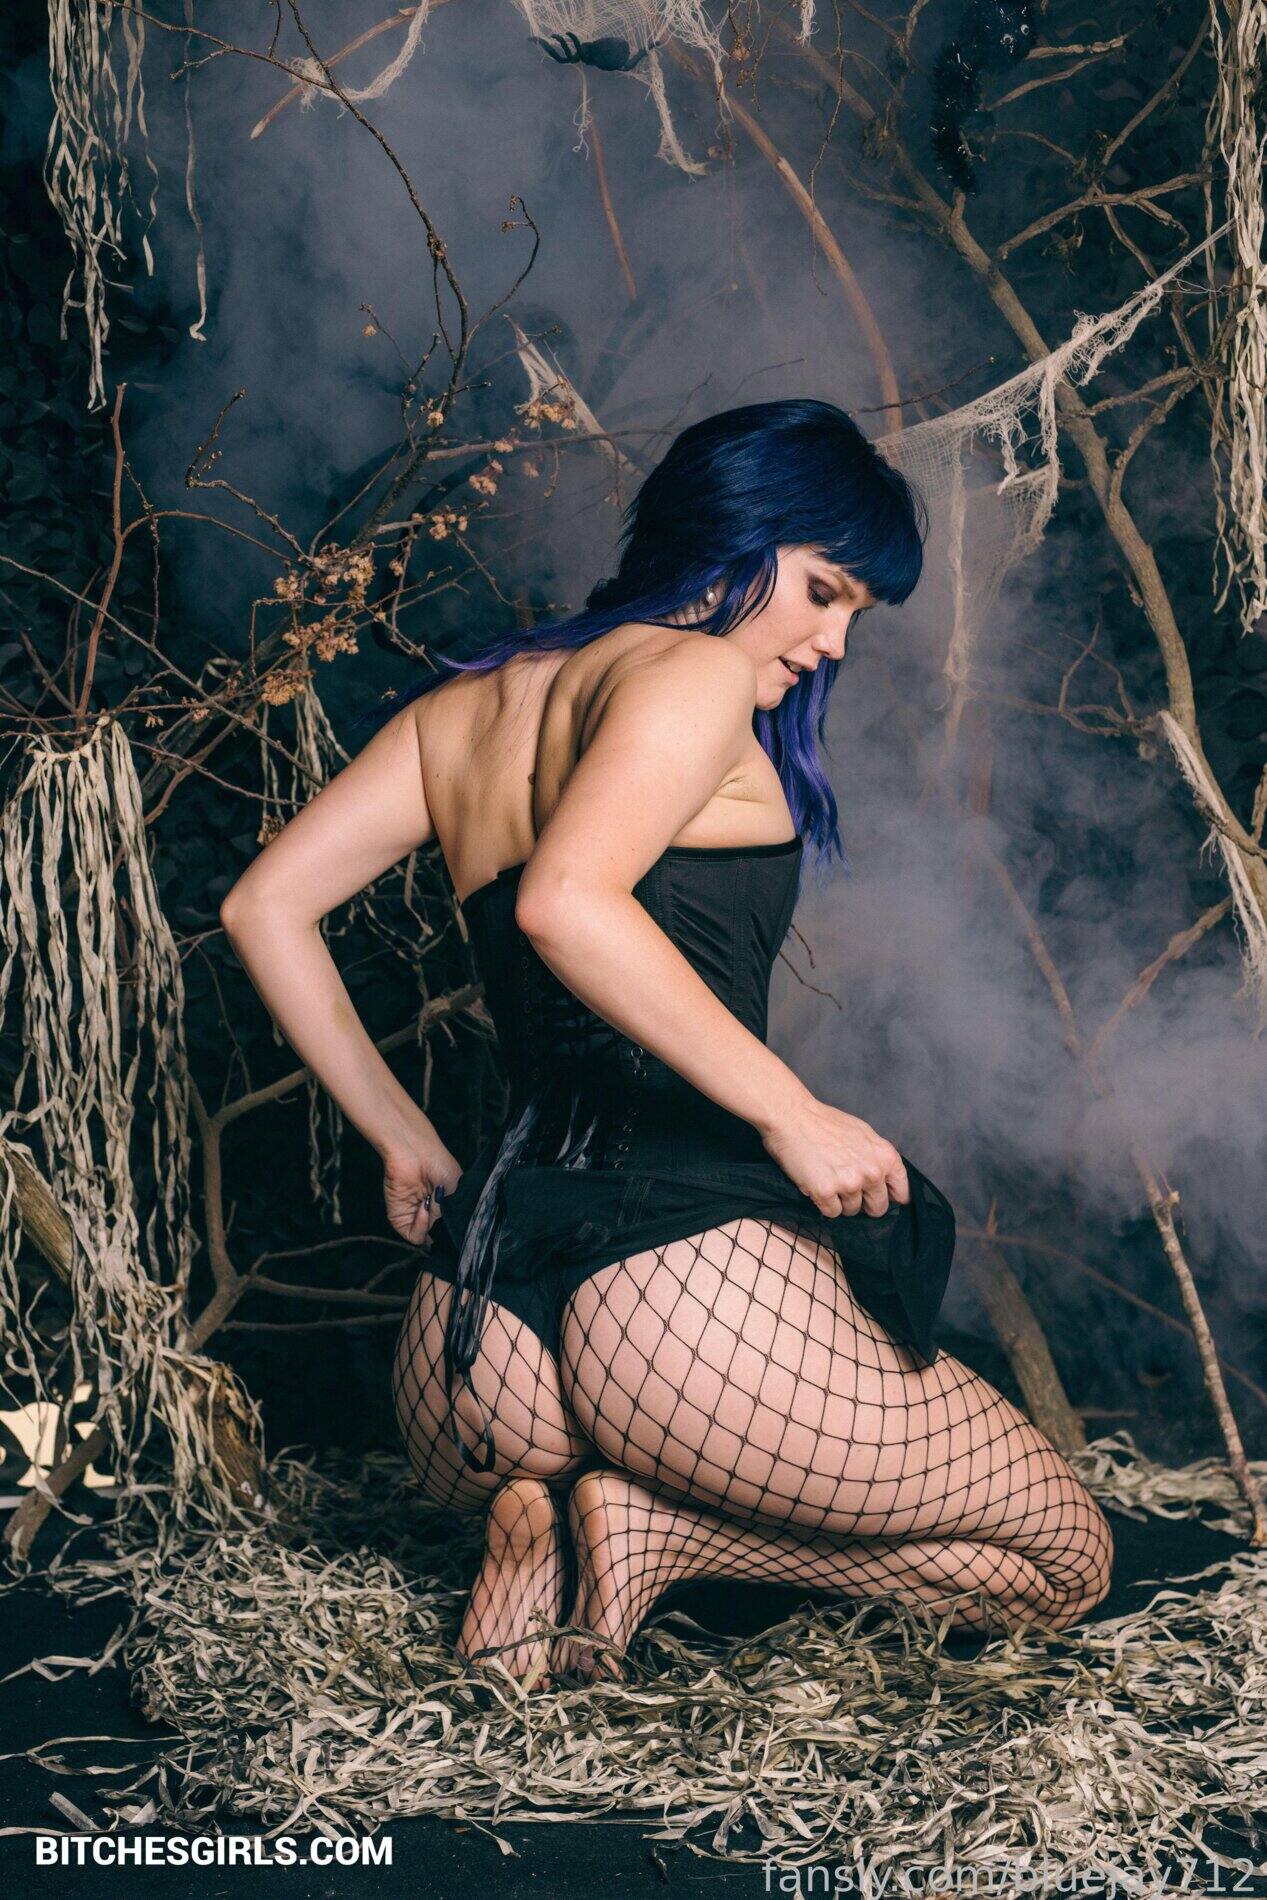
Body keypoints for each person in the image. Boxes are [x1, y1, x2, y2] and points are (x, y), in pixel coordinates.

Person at [220, 399, 1113, 1690]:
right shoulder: (692, 675)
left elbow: (265, 906)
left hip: (475, 1327)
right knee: (1066, 1559)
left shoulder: (464, 710)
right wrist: (794, 1113)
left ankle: (549, 1517)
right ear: (732, 532)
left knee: (532, 1638)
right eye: (822, 590)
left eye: (857, 613)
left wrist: (403, 1139)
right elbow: (566, 902)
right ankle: (666, 1534)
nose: (833, 641)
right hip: (684, 1300)